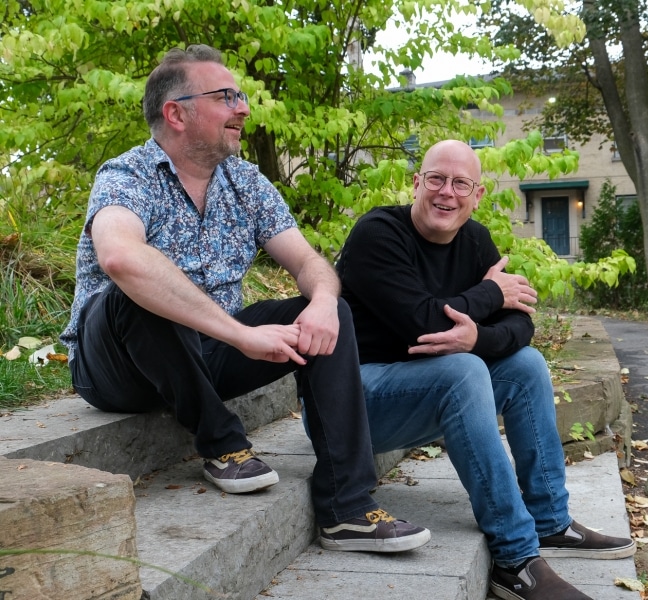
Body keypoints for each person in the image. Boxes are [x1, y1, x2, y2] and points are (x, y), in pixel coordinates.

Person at [59, 44, 429, 554]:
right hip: (118, 368)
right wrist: (240, 335)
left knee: (331, 311)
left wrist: (323, 303)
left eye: (241, 96)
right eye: (226, 97)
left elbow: (309, 263)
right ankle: (223, 443)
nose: (244, 108)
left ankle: (347, 507)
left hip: (208, 353)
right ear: (177, 114)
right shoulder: (128, 175)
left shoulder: (245, 182)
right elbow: (120, 258)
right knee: (136, 287)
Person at [336, 140, 635, 599]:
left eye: (461, 184)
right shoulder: (377, 234)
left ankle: (550, 521)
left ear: (476, 196)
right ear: (416, 183)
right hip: (352, 405)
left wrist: (478, 337)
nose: (446, 193)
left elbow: (521, 325)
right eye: (436, 179)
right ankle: (515, 560)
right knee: (463, 371)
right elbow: (425, 324)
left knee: (525, 365)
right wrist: (491, 294)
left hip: (421, 396)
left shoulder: (474, 240)